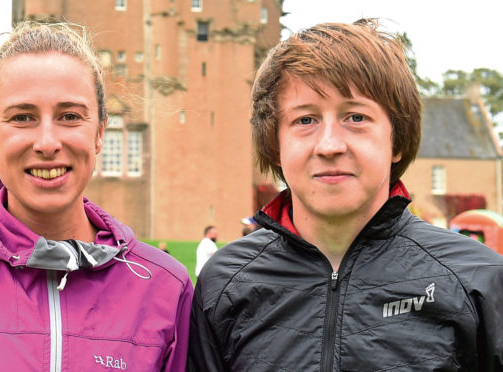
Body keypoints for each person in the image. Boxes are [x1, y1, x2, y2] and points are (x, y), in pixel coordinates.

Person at [188, 19, 503, 371]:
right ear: (276, 145)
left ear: (396, 140)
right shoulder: (224, 284)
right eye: (305, 120)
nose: (330, 145)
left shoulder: (481, 281)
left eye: (355, 117)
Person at [0, 22, 192, 371]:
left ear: (100, 132)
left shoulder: (164, 287)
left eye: (70, 116)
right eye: (22, 117)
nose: (47, 142)